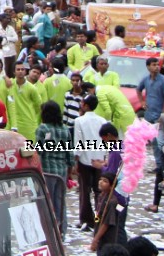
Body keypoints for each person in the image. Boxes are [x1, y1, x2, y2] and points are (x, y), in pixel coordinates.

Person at [35, 101, 71, 235]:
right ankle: (62, 231)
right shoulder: (65, 129)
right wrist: (70, 167)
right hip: (61, 170)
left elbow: (38, 151)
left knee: (46, 202)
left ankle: (49, 232)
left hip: (47, 170)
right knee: (60, 203)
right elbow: (69, 151)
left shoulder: (42, 129)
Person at [73, 95, 108, 231]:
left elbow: (78, 141)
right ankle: (99, 218)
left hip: (85, 159)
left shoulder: (79, 121)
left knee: (85, 191)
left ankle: (87, 219)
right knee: (99, 191)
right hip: (99, 158)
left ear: (86, 105)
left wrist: (76, 160)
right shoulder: (102, 120)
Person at [90, 172, 126, 252]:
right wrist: (96, 221)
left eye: (105, 181)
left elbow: (106, 223)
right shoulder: (100, 196)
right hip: (98, 233)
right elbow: (97, 215)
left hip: (107, 237)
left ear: (111, 186)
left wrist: (96, 239)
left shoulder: (112, 202)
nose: (101, 182)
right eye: (100, 179)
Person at [136, 56, 164, 125]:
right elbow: (138, 90)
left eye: (158, 65)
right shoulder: (146, 79)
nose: (157, 67)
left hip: (160, 116)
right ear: (148, 67)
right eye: (154, 65)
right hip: (148, 115)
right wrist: (142, 101)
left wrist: (163, 115)